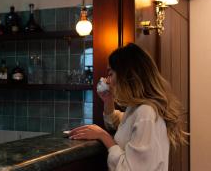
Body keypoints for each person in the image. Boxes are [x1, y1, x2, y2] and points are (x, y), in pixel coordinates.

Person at [69, 43, 188, 171]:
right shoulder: (138, 109)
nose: (108, 81)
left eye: (111, 74)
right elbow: (119, 123)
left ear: (126, 76)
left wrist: (103, 136)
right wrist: (108, 100)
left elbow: (128, 169)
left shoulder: (145, 113)